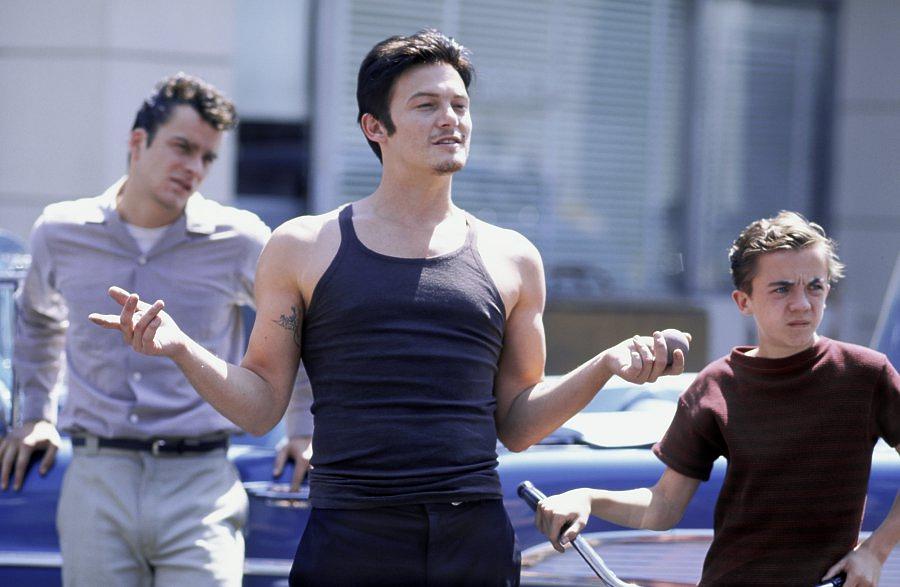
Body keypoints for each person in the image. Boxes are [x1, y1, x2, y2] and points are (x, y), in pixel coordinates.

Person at [87, 31, 688, 586]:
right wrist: (180, 348)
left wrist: (604, 365)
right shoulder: (303, 246)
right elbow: (262, 404)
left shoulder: (514, 257)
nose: (450, 119)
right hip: (351, 536)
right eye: (426, 105)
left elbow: (518, 424)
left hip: (472, 538)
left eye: (459, 105)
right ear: (375, 127)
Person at [0, 72, 314, 586]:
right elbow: (37, 318)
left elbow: (294, 328)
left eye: (207, 157)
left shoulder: (240, 239)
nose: (194, 168)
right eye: (183, 148)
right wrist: (37, 415)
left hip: (201, 481)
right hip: (97, 476)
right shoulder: (59, 231)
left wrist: (303, 430)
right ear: (137, 141)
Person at [535, 211, 900, 586]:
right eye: (782, 289)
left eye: (815, 287)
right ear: (743, 301)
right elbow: (662, 507)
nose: (802, 304)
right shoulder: (715, 386)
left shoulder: (866, 374)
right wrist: (588, 498)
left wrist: (876, 551)